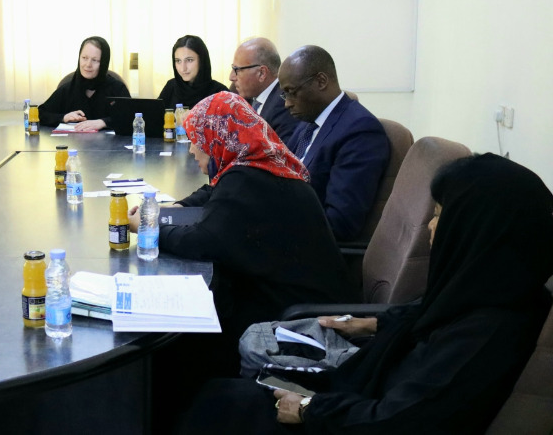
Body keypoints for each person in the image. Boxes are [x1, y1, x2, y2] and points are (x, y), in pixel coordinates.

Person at [175, 153, 553, 434]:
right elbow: (423, 315)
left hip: (353, 420)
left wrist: (309, 409)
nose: (431, 228)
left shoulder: (487, 333)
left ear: (478, 230)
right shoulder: (483, 288)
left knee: (220, 404)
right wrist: (370, 322)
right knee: (218, 390)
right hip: (361, 397)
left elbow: (404, 419)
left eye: (440, 215)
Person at [131, 92, 354, 345]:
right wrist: (177, 206)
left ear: (217, 138)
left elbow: (203, 241)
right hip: (297, 296)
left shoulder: (246, 180)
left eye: (197, 140)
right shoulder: (261, 162)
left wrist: (149, 229)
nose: (192, 150)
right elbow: (215, 190)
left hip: (295, 320)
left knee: (184, 339)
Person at [279, 45, 389, 242]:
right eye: (284, 94)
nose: (287, 103)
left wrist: (273, 225)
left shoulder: (360, 131)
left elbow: (340, 223)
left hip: (310, 250)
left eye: (292, 92)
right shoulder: (307, 122)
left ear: (321, 81)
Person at [38, 36, 130, 131]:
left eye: (95, 60)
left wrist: (104, 122)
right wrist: (63, 117)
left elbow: (131, 117)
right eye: (84, 58)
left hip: (111, 145)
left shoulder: (117, 88)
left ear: (103, 63)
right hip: (73, 144)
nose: (88, 64)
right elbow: (39, 114)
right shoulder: (67, 89)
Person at [228, 37, 300, 141]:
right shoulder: (244, 99)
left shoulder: (285, 106)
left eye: (237, 70)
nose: (231, 77)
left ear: (262, 73)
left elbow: (280, 155)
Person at [157, 34, 228, 110]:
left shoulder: (219, 93)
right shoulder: (171, 87)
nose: (183, 68)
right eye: (178, 61)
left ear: (202, 61)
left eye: (189, 60)